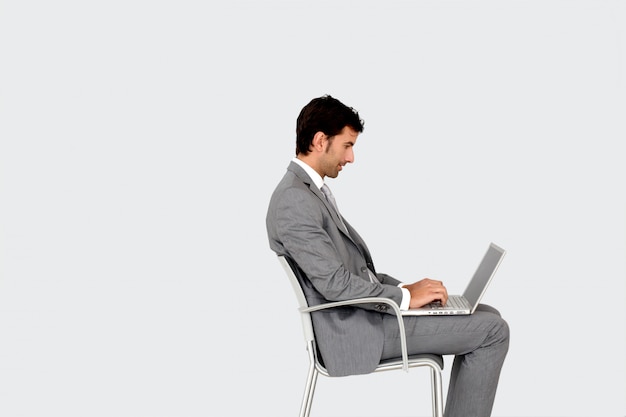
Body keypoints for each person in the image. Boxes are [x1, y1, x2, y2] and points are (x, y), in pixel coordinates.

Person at [266, 94, 509, 417]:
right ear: (320, 140)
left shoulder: (308, 193)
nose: (351, 158)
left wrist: (411, 289)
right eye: (347, 145)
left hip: (367, 316)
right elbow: (335, 285)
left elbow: (356, 271)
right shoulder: (294, 201)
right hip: (356, 331)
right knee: (493, 331)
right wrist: (405, 297)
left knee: (487, 314)